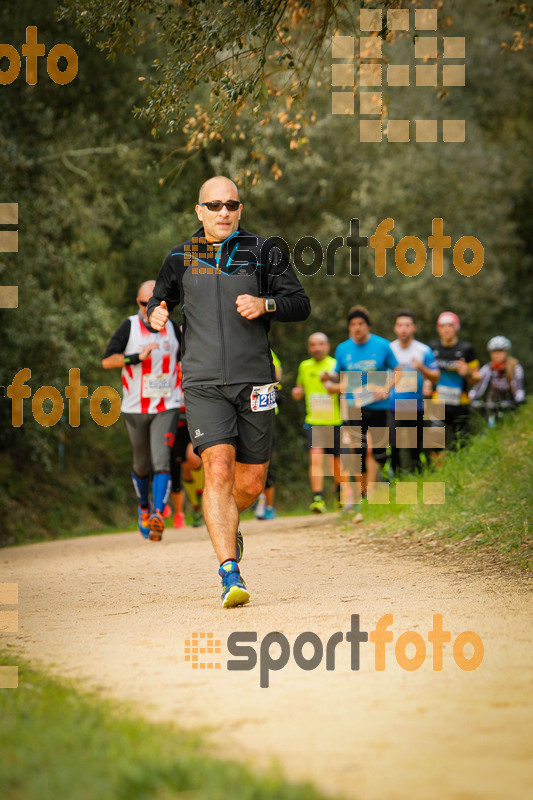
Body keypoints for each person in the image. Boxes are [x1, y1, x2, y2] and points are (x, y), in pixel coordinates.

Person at [147, 176, 310, 607]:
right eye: (214, 205)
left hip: (256, 380)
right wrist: (155, 315)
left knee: (251, 482)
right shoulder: (180, 257)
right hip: (201, 382)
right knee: (217, 469)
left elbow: (300, 303)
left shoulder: (264, 251)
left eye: (231, 205)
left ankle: (228, 519)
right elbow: (158, 301)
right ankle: (229, 572)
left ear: (240, 210)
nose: (223, 212)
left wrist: (266, 304)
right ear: (198, 210)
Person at [102, 280, 181, 541]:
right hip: (135, 407)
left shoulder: (172, 328)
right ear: (138, 304)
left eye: (155, 303)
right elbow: (107, 360)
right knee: (141, 464)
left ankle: (158, 513)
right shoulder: (130, 326)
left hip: (166, 405)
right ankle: (144, 508)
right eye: (144, 303)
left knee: (162, 459)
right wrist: (135, 357)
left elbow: (187, 358)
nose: (149, 308)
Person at [321, 306, 400, 514]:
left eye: (360, 324)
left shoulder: (382, 345)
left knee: (380, 452)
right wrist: (327, 379)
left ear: (367, 326)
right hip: (354, 408)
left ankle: (376, 487)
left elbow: (399, 371)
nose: (356, 328)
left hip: (379, 406)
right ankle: (365, 495)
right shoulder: (343, 349)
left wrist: (386, 387)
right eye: (353, 324)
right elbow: (336, 375)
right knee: (359, 451)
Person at [292, 332, 342, 513]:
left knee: (337, 463)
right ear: (309, 348)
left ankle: (339, 495)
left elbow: (344, 389)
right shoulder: (304, 366)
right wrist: (297, 392)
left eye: (320, 344)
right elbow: (301, 387)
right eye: (313, 344)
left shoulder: (335, 364)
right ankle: (318, 498)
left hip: (335, 420)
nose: (317, 348)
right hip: (314, 421)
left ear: (327, 346)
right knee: (316, 458)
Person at [389, 310, 440, 474]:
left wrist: (421, 368)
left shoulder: (423, 350)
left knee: (415, 448)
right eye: (400, 325)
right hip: (392, 406)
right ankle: (393, 480)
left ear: (414, 328)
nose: (404, 329)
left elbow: (436, 377)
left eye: (407, 325)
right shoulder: (388, 349)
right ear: (395, 328)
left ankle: (418, 479)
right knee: (394, 446)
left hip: (416, 407)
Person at [430, 312, 479, 452]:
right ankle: (439, 473)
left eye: (450, 325)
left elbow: (477, 378)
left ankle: (460, 472)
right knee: (434, 444)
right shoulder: (432, 347)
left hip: (460, 402)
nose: (446, 329)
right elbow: (427, 373)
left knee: (460, 444)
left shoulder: (466, 348)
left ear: (456, 327)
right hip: (437, 402)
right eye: (443, 326)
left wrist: (468, 372)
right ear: (438, 328)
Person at [469, 336, 525, 425]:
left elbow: (519, 387)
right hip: (492, 404)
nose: (497, 354)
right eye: (494, 351)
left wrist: (519, 400)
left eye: (500, 351)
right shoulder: (488, 368)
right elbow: (478, 386)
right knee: (489, 427)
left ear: (506, 352)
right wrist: (470, 398)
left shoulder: (515, 368)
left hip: (510, 404)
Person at [255, 350, 282, 520]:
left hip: (266, 412)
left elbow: (277, 369)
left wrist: (275, 387)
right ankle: (259, 501)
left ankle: (269, 506)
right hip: (245, 412)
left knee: (266, 462)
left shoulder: (263, 345)